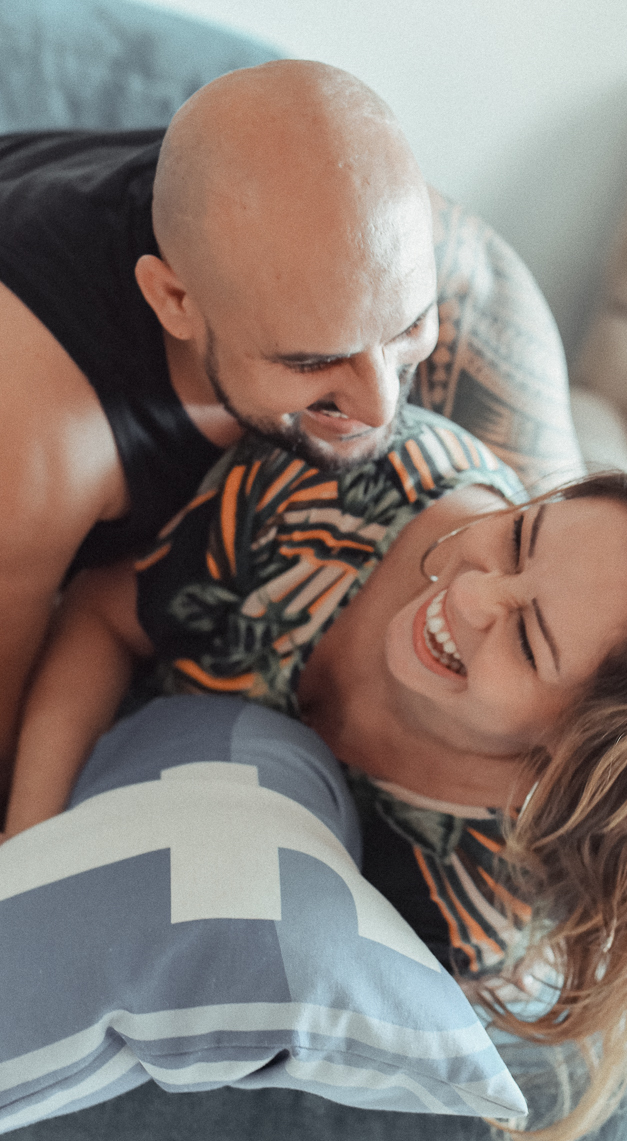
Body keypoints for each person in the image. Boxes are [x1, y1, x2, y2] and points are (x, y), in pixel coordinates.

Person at [5, 402, 627, 1141]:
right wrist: (28, 854)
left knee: (576, 1127)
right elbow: (107, 612)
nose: (473, 595)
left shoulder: (479, 899)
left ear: (570, 756)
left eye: (527, 640)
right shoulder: (347, 479)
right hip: (125, 727)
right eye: (522, 537)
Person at [0, 58, 582, 797]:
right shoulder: (34, 438)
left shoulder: (429, 262)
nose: (379, 409)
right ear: (174, 299)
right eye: (315, 360)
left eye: (407, 326)